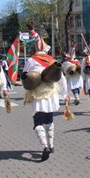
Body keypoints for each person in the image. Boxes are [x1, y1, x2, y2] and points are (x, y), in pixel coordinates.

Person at [21, 26, 67, 162]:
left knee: (38, 120)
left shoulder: (31, 60)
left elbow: (25, 76)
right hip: (51, 93)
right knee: (49, 118)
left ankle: (45, 146)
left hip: (38, 93)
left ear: (35, 49)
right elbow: (61, 78)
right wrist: (65, 94)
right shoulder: (52, 60)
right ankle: (51, 145)